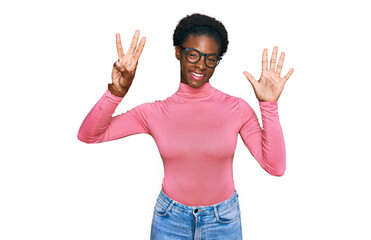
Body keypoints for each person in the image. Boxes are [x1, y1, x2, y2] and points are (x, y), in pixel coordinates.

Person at [77, 13, 294, 240]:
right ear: (178, 52)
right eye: (193, 54)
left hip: (223, 221)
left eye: (210, 58)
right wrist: (116, 92)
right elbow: (89, 135)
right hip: (170, 220)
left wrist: (269, 105)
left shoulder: (236, 108)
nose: (201, 64)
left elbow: (275, 167)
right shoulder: (154, 113)